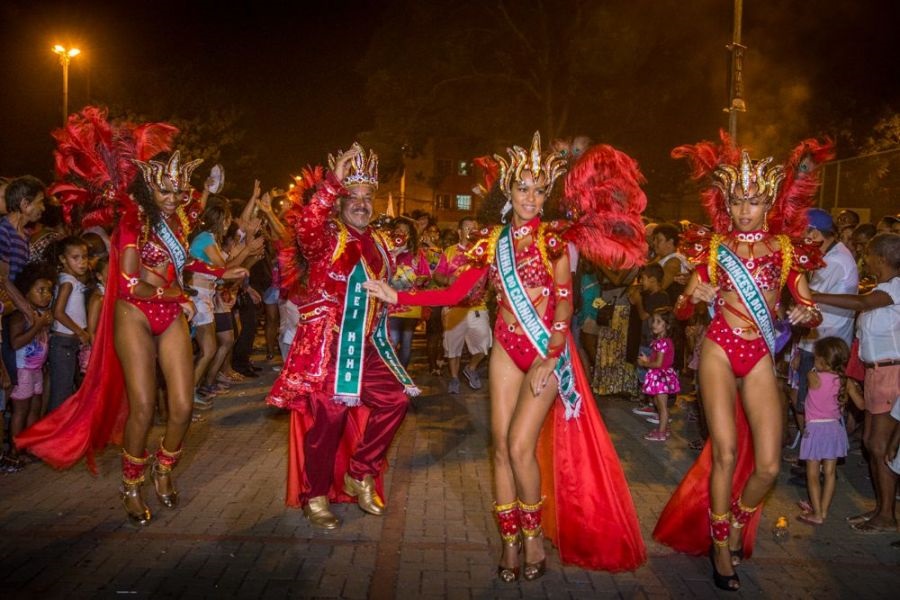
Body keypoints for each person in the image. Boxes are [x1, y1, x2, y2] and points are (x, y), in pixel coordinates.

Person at [366, 132, 647, 576]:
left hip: (544, 351)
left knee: (520, 447)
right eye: (523, 188)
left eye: (539, 190)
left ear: (547, 194)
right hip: (505, 348)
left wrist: (551, 355)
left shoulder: (553, 239)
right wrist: (396, 297)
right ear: (509, 190)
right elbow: (458, 291)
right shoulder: (491, 242)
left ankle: (533, 539)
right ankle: (510, 542)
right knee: (499, 448)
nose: (531, 198)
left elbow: (563, 301)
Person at [652, 133, 832, 591]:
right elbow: (681, 310)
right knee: (726, 453)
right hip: (718, 348)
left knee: (769, 466)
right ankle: (718, 546)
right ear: (727, 203)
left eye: (753, 201)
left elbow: (811, 309)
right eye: (738, 201)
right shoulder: (712, 248)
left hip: (758, 354)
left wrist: (802, 312)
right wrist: (695, 296)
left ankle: (735, 526)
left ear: (768, 202)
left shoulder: (787, 251)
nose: (745, 209)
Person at [15, 105, 207, 527]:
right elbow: (134, 284)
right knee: (141, 406)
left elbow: (192, 265)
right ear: (147, 192)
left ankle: (163, 469)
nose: (175, 199)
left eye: (180, 192)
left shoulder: (181, 225)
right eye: (166, 192)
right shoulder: (131, 226)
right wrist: (178, 293)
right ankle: (132, 483)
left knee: (182, 406)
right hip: (135, 313)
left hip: (169, 312)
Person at [266, 143, 419, 530]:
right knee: (330, 417)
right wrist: (333, 181)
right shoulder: (327, 237)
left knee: (397, 400)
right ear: (339, 202)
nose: (362, 204)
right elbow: (306, 228)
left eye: (369, 198)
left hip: (365, 348)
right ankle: (314, 495)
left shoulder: (380, 245)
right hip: (327, 349)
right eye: (354, 197)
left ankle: (360, 471)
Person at [812, 232, 899, 534]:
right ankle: (881, 509)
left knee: (880, 446)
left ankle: (888, 515)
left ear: (882, 259)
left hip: (892, 374)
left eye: (869, 254)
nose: (864, 259)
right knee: (870, 444)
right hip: (877, 374)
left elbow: (861, 302)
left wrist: (813, 296)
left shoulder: (895, 288)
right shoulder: (883, 288)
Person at [795, 208, 858, 416]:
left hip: (825, 341)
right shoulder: (830, 254)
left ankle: (816, 442)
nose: (801, 239)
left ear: (814, 234)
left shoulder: (834, 260)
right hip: (823, 337)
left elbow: (808, 296)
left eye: (803, 233)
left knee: (811, 405)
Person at [432, 217, 491, 393]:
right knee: (453, 346)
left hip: (477, 306)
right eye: (468, 227)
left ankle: (471, 369)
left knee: (484, 343)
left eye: (475, 227)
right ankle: (455, 378)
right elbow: (437, 275)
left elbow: (492, 277)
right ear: (459, 231)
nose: (472, 230)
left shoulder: (484, 253)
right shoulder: (449, 252)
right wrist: (447, 279)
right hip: (454, 307)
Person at [796, 336, 850, 525]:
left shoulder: (814, 376)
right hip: (834, 429)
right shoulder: (844, 381)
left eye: (816, 357)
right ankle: (823, 510)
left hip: (816, 430)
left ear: (822, 360)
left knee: (812, 474)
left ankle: (817, 513)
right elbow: (860, 403)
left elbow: (802, 372)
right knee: (829, 473)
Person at [6, 267, 55, 470]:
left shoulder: (42, 314)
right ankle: (13, 452)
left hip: (36, 370)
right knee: (21, 411)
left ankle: (29, 447)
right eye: (40, 290)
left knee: (35, 408)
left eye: (49, 291)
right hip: (22, 370)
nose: (46, 295)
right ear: (26, 291)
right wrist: (37, 325)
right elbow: (16, 343)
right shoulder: (20, 316)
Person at [47, 236, 90, 413]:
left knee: (64, 391)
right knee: (61, 394)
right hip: (63, 343)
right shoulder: (67, 283)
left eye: (85, 257)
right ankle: (50, 434)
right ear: (63, 259)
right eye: (75, 257)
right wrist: (80, 331)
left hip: (68, 344)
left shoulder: (71, 280)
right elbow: (58, 312)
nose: (82, 262)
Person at [387, 215, 431, 369]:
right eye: (398, 230)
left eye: (405, 231)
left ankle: (402, 376)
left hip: (411, 305)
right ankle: (390, 373)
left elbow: (427, 276)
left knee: (407, 342)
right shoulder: (387, 252)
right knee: (393, 339)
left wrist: (422, 280)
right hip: (392, 305)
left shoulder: (417, 255)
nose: (401, 234)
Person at [639, 309, 680, 442]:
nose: (654, 325)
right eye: (654, 321)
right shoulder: (663, 341)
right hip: (661, 376)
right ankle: (663, 427)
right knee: (658, 403)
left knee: (662, 406)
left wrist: (645, 364)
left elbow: (658, 364)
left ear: (667, 325)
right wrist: (647, 359)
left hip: (660, 377)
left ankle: (661, 432)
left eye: (658, 322)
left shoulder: (662, 343)